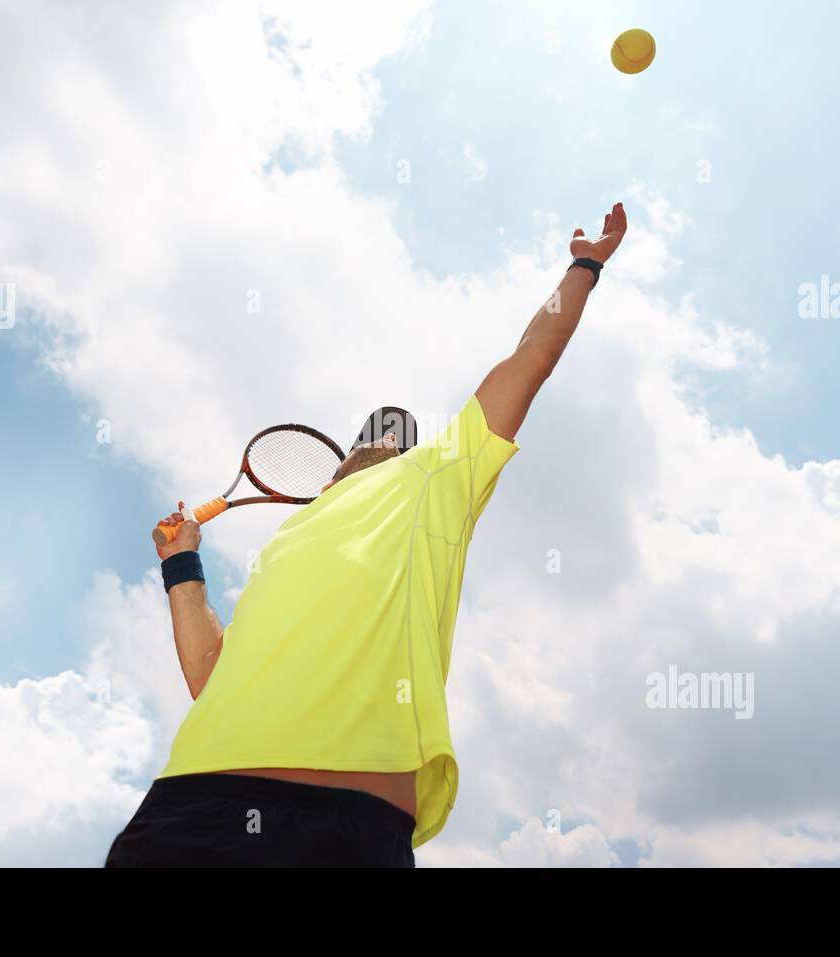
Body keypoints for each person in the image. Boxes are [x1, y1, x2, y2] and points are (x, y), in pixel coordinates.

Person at [106, 202, 628, 867]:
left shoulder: (435, 479)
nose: (388, 436)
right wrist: (182, 569)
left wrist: (584, 264)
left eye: (400, 433)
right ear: (338, 466)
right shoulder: (287, 538)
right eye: (375, 431)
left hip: (351, 826)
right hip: (191, 808)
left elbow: (531, 358)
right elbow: (212, 678)